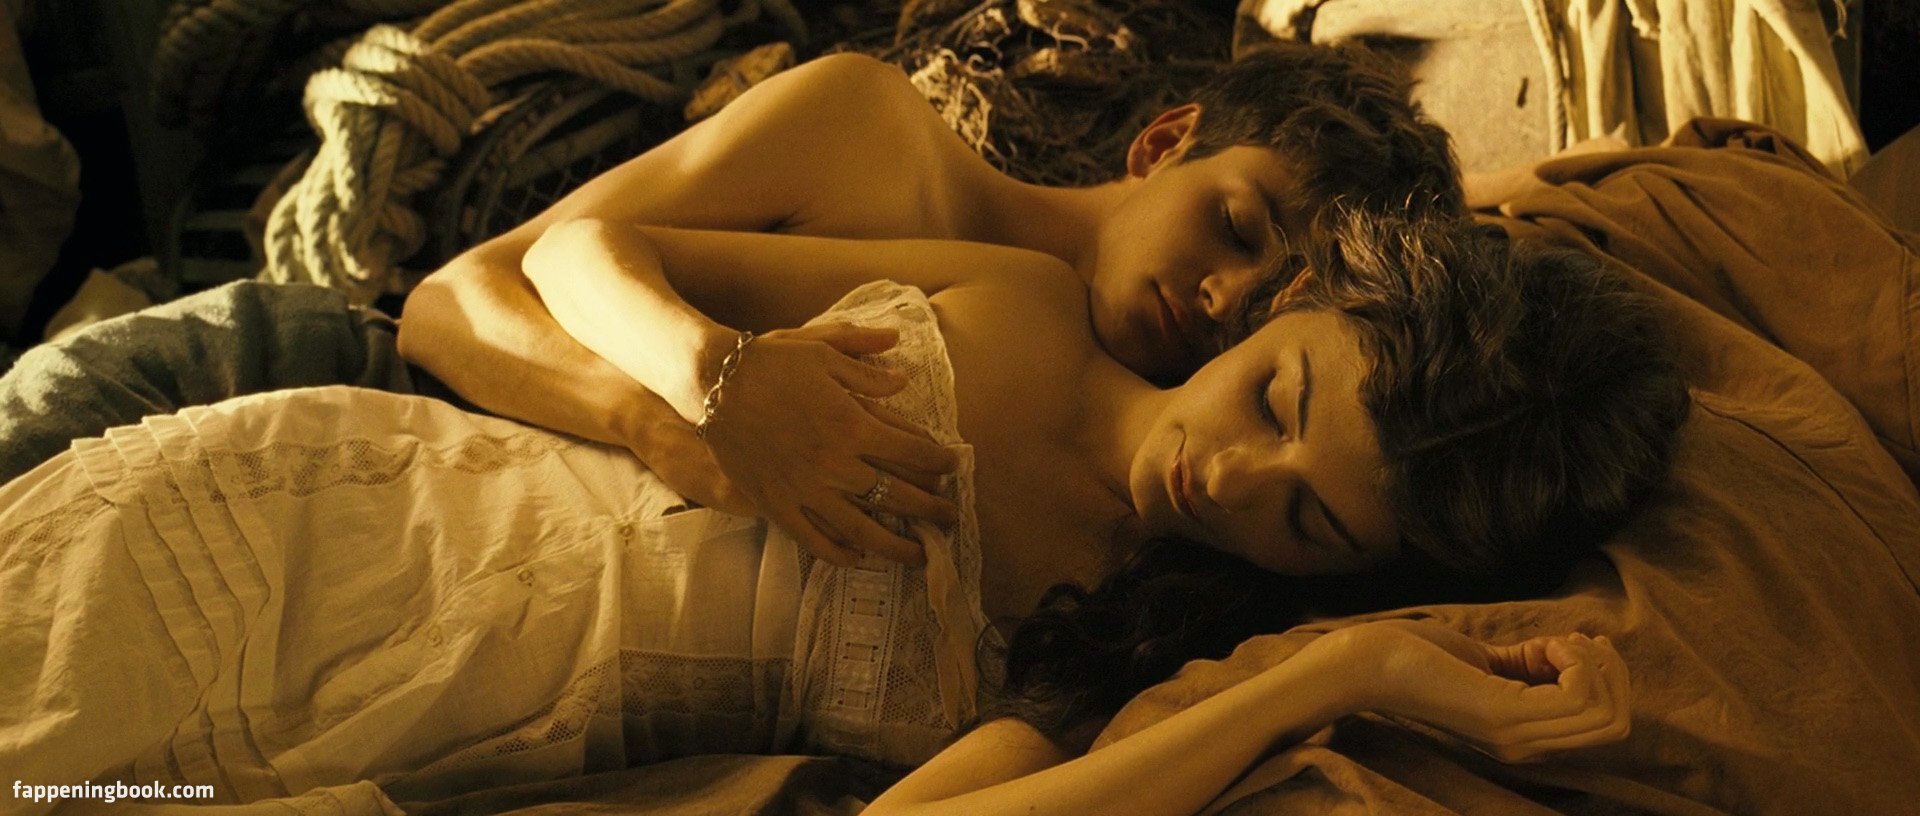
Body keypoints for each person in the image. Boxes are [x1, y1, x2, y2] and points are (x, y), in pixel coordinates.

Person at [0, 207, 1687, 811]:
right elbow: (572, 253)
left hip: (418, 733)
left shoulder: (1150, 630)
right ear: (1291, 305)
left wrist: (1344, 673)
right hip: (335, 522)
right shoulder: (1021, 313)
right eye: (1278, 400)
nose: (1231, 477)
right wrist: (715, 379)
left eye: (1309, 524)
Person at [396, 42, 1466, 558]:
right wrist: (678, 409)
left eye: (1274, 299)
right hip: (382, 413)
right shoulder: (866, 135)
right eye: (1233, 225)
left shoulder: (1171, 460)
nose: (1225, 295)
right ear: (1164, 142)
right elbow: (446, 306)